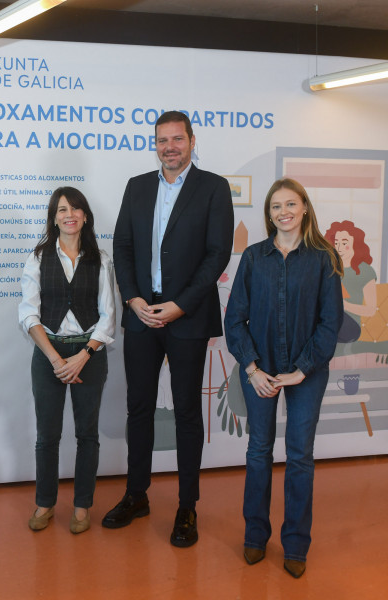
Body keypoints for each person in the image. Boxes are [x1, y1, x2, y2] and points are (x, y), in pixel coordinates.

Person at [106, 111, 234, 546]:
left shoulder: (213, 187)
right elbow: (122, 247)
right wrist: (133, 298)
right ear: (155, 144)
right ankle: (136, 495)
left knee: (185, 414)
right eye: (162, 140)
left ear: (192, 141)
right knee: (138, 409)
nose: (170, 147)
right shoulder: (137, 187)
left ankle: (186, 507)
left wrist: (179, 305)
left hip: (187, 317)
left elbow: (217, 254)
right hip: (142, 317)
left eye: (177, 139)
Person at [224, 178, 343, 578]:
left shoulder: (324, 259)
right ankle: (255, 537)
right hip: (259, 371)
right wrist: (253, 368)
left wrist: (301, 370)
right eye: (276, 206)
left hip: (306, 373)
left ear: (305, 208)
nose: (283, 212)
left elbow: (330, 324)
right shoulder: (254, 257)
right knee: (259, 452)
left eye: (290, 204)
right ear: (268, 214)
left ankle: (295, 545)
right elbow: (234, 320)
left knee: (299, 456)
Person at [18, 186, 116, 534]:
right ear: (54, 217)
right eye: (62, 210)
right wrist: (57, 359)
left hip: (90, 355)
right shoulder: (37, 257)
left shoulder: (100, 259)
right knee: (47, 435)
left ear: (85, 215)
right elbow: (28, 315)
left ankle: (81, 506)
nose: (69, 215)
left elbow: (108, 316)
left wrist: (83, 356)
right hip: (49, 355)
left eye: (75, 209)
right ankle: (44, 503)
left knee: (87, 434)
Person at [325, 220, 377, 343]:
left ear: (356, 244)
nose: (339, 248)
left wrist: (344, 305)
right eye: (336, 243)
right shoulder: (329, 266)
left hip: (350, 324)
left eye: (344, 243)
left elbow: (371, 310)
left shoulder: (365, 271)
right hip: (328, 315)